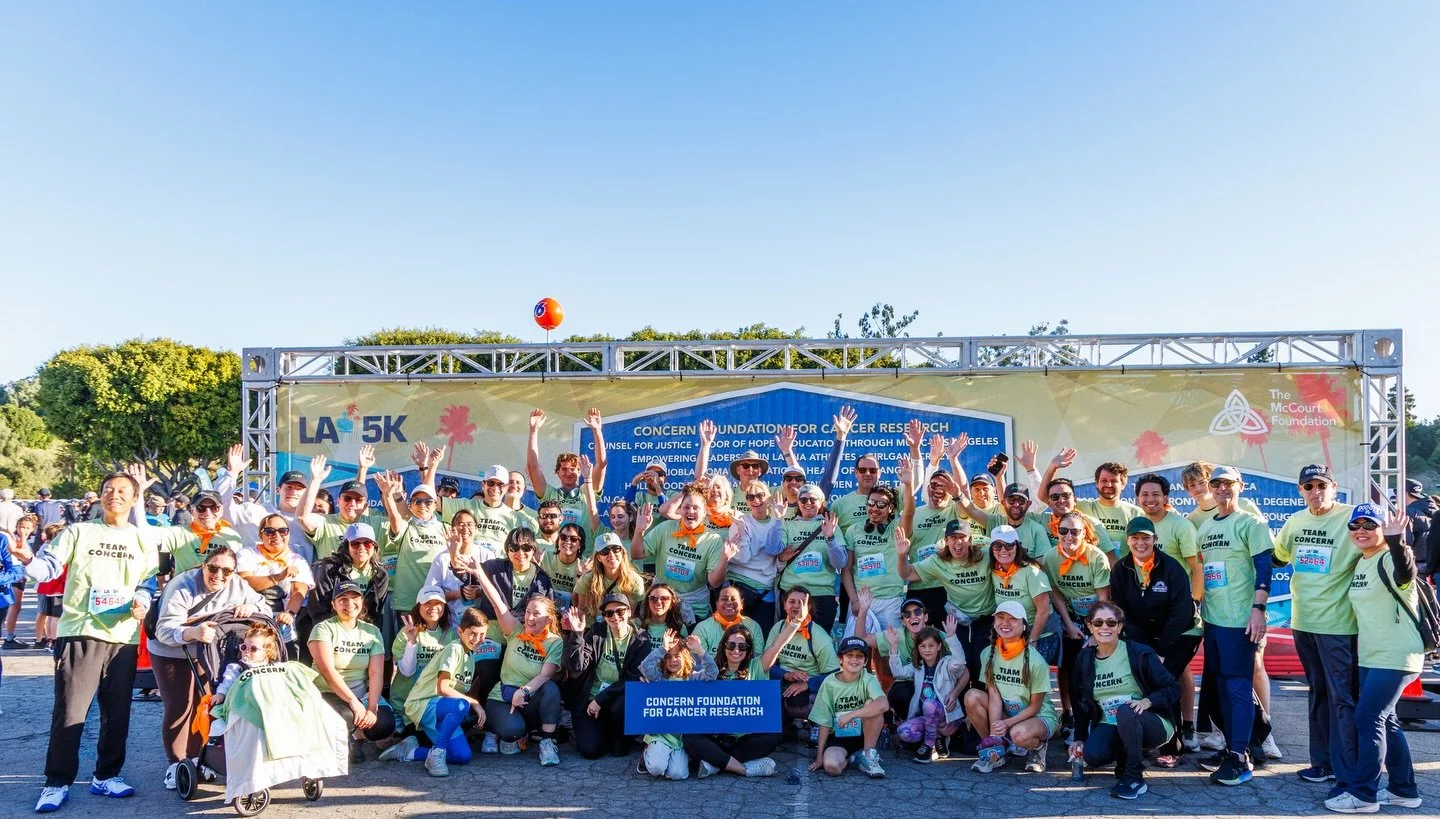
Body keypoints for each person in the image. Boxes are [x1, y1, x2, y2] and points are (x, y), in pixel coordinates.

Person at [15, 469, 160, 813]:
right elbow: (48, 569)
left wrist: (142, 601)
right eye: (109, 489)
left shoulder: (142, 539)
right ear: (101, 496)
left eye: (123, 490)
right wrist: (28, 559)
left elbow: (148, 581)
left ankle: (107, 775)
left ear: (134, 498)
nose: (115, 495)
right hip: (79, 631)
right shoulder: (78, 532)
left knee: (117, 712)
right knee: (69, 712)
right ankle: (57, 782)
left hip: (123, 637)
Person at [1324, 504, 1425, 813]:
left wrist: (1397, 541)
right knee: (1387, 720)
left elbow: (1405, 571)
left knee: (1368, 718)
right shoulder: (1362, 561)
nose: (1361, 530)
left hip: (1396, 655)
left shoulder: (1389, 558)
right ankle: (1404, 791)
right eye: (1355, 525)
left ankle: (1364, 795)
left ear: (1383, 528)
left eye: (1370, 524)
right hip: (1371, 655)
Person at [150, 545, 265, 789]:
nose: (219, 574)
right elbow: (163, 630)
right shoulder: (182, 586)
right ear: (204, 566)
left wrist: (251, 608)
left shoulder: (237, 585)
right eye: (213, 568)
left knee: (205, 702)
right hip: (171, 648)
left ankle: (197, 758)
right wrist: (192, 632)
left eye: (226, 570)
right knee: (180, 704)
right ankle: (176, 762)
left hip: (207, 649)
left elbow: (263, 607)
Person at [1273, 464, 1359, 789]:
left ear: (1333, 486)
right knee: (1318, 692)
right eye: (1308, 486)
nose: (1315, 492)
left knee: (1343, 696)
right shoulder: (1295, 521)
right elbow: (1278, 556)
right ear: (1300, 491)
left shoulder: (1351, 518)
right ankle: (1320, 763)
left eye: (1321, 485)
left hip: (1339, 624)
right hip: (1303, 622)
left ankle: (1347, 766)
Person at [1194, 465, 1274, 786]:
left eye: (1228, 484)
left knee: (1238, 689)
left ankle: (1241, 758)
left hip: (1240, 621)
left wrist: (1258, 610)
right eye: (1217, 484)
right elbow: (1203, 574)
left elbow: (1265, 569)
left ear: (1240, 485)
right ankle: (1233, 748)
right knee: (1223, 691)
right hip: (1213, 621)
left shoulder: (1251, 523)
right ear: (1211, 488)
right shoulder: (1204, 528)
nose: (1223, 489)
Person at [1107, 516, 1199, 766]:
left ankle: (1174, 746)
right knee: (1143, 680)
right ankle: (1148, 738)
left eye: (1145, 537)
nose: (1140, 543)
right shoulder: (1121, 568)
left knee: (1163, 679)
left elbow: (1182, 612)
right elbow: (1122, 609)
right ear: (1127, 540)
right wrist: (1145, 649)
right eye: (1135, 538)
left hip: (1180, 635)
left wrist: (1160, 650)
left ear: (1155, 540)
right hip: (1144, 637)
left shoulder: (1171, 567)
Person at [1070, 601, 1182, 800]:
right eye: (1098, 622)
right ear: (1089, 626)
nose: (1105, 627)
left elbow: (1173, 688)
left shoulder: (1138, 653)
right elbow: (1079, 701)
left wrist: (1147, 701)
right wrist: (1079, 736)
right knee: (1093, 755)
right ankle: (1124, 756)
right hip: (1110, 723)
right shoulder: (1084, 659)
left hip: (1150, 722)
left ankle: (1134, 777)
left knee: (1126, 711)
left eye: (1111, 623)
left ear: (1120, 627)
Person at [1133, 472, 1204, 749]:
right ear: (1138, 498)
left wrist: (1194, 603)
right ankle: (1156, 729)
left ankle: (1187, 727)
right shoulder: (1136, 526)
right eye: (1145, 494)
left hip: (1177, 614)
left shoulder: (1180, 526)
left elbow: (1196, 569)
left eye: (1156, 494)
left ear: (1166, 498)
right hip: (1149, 616)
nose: (1150, 499)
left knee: (1178, 671)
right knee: (1154, 673)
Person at [384, 608, 490, 777]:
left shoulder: (469, 656)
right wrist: (474, 702)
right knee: (462, 704)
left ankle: (408, 752)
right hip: (423, 704)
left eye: (482, 634)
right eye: (473, 633)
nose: (478, 639)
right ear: (460, 631)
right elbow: (443, 688)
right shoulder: (454, 648)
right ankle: (437, 754)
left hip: (442, 709)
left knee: (462, 756)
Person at [473, 572, 564, 766]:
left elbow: (545, 675)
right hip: (502, 697)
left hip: (529, 698)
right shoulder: (516, 630)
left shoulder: (554, 642)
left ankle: (547, 743)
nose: (529, 617)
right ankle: (496, 731)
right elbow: (497, 603)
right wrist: (478, 572)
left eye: (536, 614)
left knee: (551, 689)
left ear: (548, 620)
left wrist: (524, 691)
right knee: (512, 731)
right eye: (528, 612)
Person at [965, 601, 1058, 775]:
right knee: (972, 696)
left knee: (1019, 734)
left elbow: (1035, 707)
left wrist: (1006, 723)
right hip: (1007, 713)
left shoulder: (1036, 661)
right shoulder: (988, 653)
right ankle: (993, 751)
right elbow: (993, 695)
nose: (1005, 623)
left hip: (1037, 716)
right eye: (1000, 617)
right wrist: (995, 733)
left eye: (1012, 619)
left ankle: (1038, 747)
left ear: (1023, 626)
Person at [896, 518, 994, 680]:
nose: (958, 542)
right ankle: (960, 702)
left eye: (962, 537)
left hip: (986, 619)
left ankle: (978, 701)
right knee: (960, 665)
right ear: (946, 541)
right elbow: (907, 574)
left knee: (981, 665)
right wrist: (901, 556)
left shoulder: (985, 555)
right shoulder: (938, 561)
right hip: (959, 620)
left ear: (970, 541)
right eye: (953, 538)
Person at [1043, 510, 1112, 736]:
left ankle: (1097, 716)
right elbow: (1056, 594)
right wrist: (1069, 625)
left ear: (1085, 533)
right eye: (1064, 531)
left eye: (1075, 531)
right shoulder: (1050, 558)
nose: (1069, 536)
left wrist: (1094, 631)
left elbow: (1103, 598)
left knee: (1093, 670)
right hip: (1070, 618)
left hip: (1097, 618)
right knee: (1068, 668)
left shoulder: (1097, 557)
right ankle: (1069, 715)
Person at [308, 581, 396, 759]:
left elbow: (376, 673)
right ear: (333, 604)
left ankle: (358, 735)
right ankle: (341, 740)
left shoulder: (372, 631)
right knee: (346, 717)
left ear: (362, 601)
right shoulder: (323, 629)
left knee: (384, 724)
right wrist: (353, 702)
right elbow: (328, 672)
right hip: (329, 691)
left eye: (354, 598)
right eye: (343, 599)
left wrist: (372, 707)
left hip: (361, 692)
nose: (349, 603)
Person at [682, 624, 781, 778]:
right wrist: (651, 679)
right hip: (716, 737)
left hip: (745, 739)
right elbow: (679, 680)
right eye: (731, 645)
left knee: (773, 735)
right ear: (724, 645)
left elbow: (776, 645)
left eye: (742, 646)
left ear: (748, 650)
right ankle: (744, 769)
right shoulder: (712, 668)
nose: (736, 650)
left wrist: (795, 622)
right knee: (690, 738)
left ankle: (716, 764)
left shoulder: (757, 666)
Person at [561, 593, 651, 759]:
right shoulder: (597, 632)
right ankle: (592, 732)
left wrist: (601, 699)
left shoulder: (641, 640)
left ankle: (620, 740)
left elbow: (632, 678)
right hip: (591, 697)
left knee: (618, 747)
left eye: (620, 611)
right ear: (604, 616)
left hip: (616, 697)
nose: (615, 616)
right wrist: (577, 635)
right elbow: (577, 666)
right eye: (609, 613)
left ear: (629, 612)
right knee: (591, 751)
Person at [634, 486, 725, 620]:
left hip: (694, 607)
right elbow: (637, 554)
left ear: (705, 511)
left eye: (696, 508)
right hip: (659, 604)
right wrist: (639, 531)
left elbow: (715, 583)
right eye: (686, 507)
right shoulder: (666, 528)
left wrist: (725, 558)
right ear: (680, 510)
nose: (690, 511)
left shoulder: (713, 540)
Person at [300, 523, 389, 654]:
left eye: (367, 543)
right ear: (346, 546)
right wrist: (334, 636)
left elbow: (374, 613)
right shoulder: (328, 569)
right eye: (355, 543)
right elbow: (318, 610)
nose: (362, 547)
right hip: (330, 632)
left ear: (374, 547)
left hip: (361, 633)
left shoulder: (380, 575)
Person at [808, 635, 888, 778]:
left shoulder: (868, 678)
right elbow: (824, 721)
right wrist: (819, 756)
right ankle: (854, 757)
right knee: (832, 767)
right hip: (840, 736)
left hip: (864, 733)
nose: (854, 659)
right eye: (849, 655)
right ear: (840, 659)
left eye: (859, 656)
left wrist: (851, 715)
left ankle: (868, 754)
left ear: (865, 661)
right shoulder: (829, 683)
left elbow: (883, 704)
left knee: (873, 704)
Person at [639, 635, 718, 779]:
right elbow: (645, 667)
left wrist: (700, 650)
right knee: (656, 768)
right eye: (668, 657)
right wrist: (663, 649)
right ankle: (647, 757)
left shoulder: (693, 678)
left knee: (677, 774)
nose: (673, 660)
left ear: (685, 657)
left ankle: (667, 759)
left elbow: (712, 673)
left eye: (677, 656)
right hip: (661, 734)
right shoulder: (660, 678)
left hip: (681, 738)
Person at [375, 473, 451, 619]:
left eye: (428, 501)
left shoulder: (446, 528)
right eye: (417, 501)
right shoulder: (406, 527)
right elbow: (394, 517)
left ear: (436, 504)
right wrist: (388, 495)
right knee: (407, 641)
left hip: (436, 601)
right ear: (410, 504)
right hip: (407, 602)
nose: (422, 505)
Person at [527, 408, 608, 542]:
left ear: (580, 471)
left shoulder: (587, 491)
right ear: (557, 472)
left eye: (573, 469)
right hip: (555, 554)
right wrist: (533, 431)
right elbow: (533, 467)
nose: (568, 473)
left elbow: (601, 464)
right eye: (564, 469)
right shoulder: (550, 495)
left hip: (583, 556)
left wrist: (596, 431)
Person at [891, 624, 968, 763]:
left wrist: (951, 637)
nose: (927, 650)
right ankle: (938, 739)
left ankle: (928, 746)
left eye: (931, 646)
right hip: (929, 720)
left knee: (929, 704)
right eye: (923, 646)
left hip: (948, 720)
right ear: (918, 648)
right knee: (903, 732)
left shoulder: (947, 664)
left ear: (939, 646)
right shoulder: (918, 666)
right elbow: (898, 672)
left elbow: (960, 663)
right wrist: (894, 647)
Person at [383, 585, 455, 736]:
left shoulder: (451, 635)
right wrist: (412, 642)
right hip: (406, 703)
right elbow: (406, 671)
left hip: (432, 701)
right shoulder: (406, 633)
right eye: (427, 603)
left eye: (437, 603)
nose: (433, 608)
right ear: (418, 606)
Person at [761, 586, 840, 722]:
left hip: (806, 691)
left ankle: (815, 723)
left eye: (802, 603)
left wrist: (808, 684)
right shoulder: (778, 628)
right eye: (792, 602)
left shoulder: (819, 635)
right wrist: (785, 675)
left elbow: (834, 675)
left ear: (808, 607)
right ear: (784, 605)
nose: (797, 606)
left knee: (798, 701)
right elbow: (764, 664)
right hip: (781, 685)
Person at [236, 513, 314, 648]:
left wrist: (289, 613)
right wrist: (278, 577)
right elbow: (245, 582)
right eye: (269, 531)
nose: (276, 535)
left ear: (289, 534)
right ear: (260, 535)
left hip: (282, 624)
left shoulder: (298, 560)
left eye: (283, 531)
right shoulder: (246, 554)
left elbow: (299, 590)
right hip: (250, 621)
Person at [293, 450, 385, 562]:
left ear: (365, 506)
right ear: (338, 501)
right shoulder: (325, 523)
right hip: (333, 579)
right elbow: (302, 517)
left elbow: (401, 523)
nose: (352, 503)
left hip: (367, 580)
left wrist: (389, 495)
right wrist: (316, 480)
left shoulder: (375, 523)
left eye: (358, 500)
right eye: (347, 498)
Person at [777, 485, 847, 633]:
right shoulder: (787, 526)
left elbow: (840, 563)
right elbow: (774, 557)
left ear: (821, 502)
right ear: (798, 502)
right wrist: (782, 558)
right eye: (803, 499)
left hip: (821, 594)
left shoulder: (830, 526)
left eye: (812, 499)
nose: (807, 502)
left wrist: (830, 538)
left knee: (819, 644)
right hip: (792, 593)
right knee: (790, 643)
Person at [722, 480, 786, 633]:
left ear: (768, 498)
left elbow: (775, 557)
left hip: (765, 591)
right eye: (751, 497)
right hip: (738, 587)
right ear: (747, 502)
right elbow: (743, 557)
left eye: (760, 495)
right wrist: (742, 531)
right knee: (733, 639)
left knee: (760, 641)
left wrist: (778, 520)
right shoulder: (740, 521)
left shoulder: (778, 523)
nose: (756, 501)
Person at [844, 482, 909, 632]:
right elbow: (846, 569)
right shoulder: (853, 530)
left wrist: (909, 484)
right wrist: (854, 600)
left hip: (890, 601)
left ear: (890, 508)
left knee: (890, 649)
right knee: (856, 650)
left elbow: (909, 512)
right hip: (861, 601)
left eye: (881, 504)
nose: (874, 508)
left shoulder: (896, 528)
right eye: (871, 503)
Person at [989, 525, 1055, 657]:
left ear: (1017, 547)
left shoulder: (1032, 572)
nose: (1003, 550)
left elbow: (1044, 610)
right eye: (997, 545)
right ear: (991, 549)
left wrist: (1032, 640)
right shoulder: (994, 570)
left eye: (1009, 545)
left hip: (1039, 633)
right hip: (1011, 632)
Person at [474, 527, 553, 623]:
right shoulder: (492, 567)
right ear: (507, 550)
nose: (520, 553)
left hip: (524, 633)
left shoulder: (542, 579)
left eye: (526, 548)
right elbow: (466, 577)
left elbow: (549, 612)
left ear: (533, 550)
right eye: (514, 548)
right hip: (491, 632)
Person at [423, 510, 489, 622]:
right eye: (460, 524)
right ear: (453, 529)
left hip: (480, 623)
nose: (465, 529)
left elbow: (495, 590)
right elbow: (430, 593)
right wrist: (459, 593)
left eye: (469, 524)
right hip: (450, 622)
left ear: (476, 529)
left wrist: (479, 592)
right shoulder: (442, 558)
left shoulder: (487, 555)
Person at [1076, 462, 1146, 553]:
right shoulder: (1083, 507)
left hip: (1123, 567)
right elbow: (1053, 498)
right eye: (1104, 480)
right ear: (1097, 484)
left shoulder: (1136, 513)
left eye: (1114, 481)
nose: (1108, 485)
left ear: (1123, 485)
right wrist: (1053, 468)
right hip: (1090, 567)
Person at [574, 533, 646, 618]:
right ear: (598, 557)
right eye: (605, 551)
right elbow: (581, 609)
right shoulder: (587, 579)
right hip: (593, 627)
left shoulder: (635, 580)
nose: (611, 554)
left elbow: (631, 614)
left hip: (620, 625)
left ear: (622, 552)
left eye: (616, 549)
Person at [691, 584, 764, 656]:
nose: (729, 602)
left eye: (733, 599)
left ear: (741, 604)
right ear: (716, 604)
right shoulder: (702, 628)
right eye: (724, 599)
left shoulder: (753, 626)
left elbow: (756, 660)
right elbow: (699, 662)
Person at [2, 513, 39, 649]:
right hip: (14, 576)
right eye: (21, 527)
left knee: (16, 607)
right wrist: (23, 536)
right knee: (15, 606)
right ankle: (9, 637)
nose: (24, 530)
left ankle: (10, 635)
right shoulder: (13, 538)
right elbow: (20, 552)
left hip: (21, 576)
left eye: (28, 528)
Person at [542, 522, 587, 609]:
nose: (567, 541)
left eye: (573, 539)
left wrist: (580, 577)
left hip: (573, 609)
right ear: (558, 541)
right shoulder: (545, 558)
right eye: (563, 537)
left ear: (580, 545)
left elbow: (581, 604)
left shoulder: (585, 565)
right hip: (546, 607)